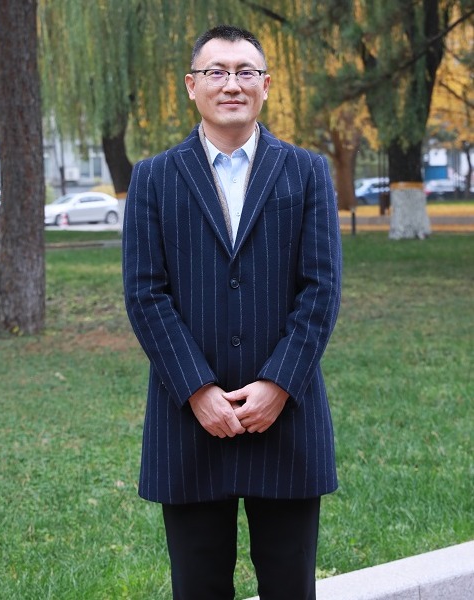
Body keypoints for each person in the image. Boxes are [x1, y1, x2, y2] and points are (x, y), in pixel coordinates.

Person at [123, 24, 342, 600]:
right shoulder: (153, 178)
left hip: (286, 419)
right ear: (191, 85)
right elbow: (145, 293)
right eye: (216, 71)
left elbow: (321, 289)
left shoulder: (307, 171)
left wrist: (278, 384)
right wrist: (197, 390)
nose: (231, 84)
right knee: (198, 586)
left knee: (290, 586)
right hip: (187, 422)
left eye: (246, 72)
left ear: (265, 85)